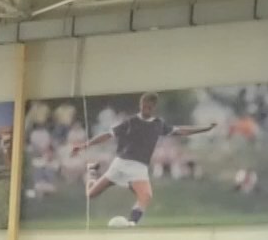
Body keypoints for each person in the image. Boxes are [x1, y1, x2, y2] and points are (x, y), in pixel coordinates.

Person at [71, 92, 215, 227]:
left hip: (139, 168)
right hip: (121, 164)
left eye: (149, 107)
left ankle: (131, 224)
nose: (145, 109)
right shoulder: (131, 121)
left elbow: (181, 130)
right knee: (91, 194)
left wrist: (204, 129)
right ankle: (92, 171)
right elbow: (108, 135)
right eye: (143, 106)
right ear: (140, 105)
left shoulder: (158, 124)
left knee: (145, 196)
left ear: (154, 108)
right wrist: (85, 145)